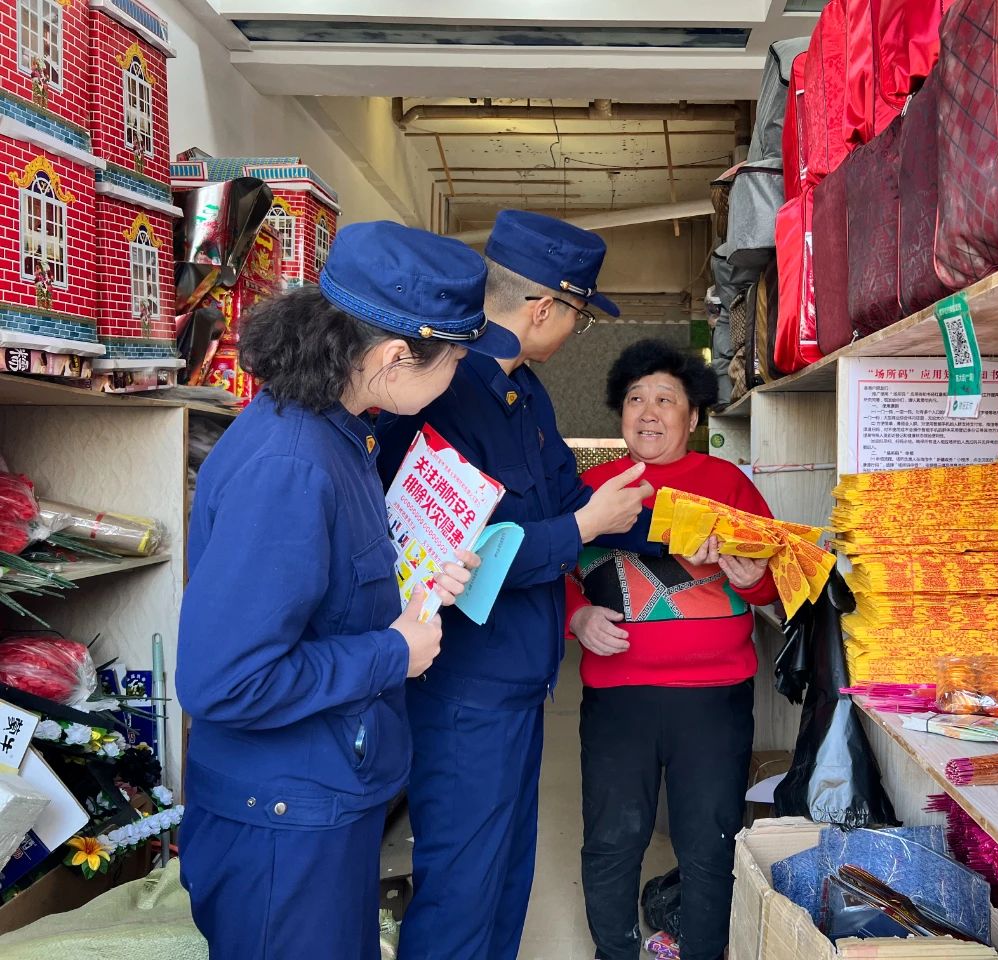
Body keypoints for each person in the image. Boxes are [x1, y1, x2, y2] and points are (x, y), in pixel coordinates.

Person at [177, 221, 520, 960]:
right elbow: (224, 680)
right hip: (284, 827)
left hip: (319, 799)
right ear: (394, 358)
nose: (459, 373)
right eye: (457, 358)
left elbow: (323, 596)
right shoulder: (292, 466)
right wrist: (393, 653)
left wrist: (419, 586)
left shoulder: (339, 431)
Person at [374, 210, 653, 960]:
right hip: (464, 689)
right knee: (460, 888)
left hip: (519, 686)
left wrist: (683, 529)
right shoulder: (444, 391)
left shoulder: (524, 392)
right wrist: (585, 525)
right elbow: (463, 556)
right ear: (542, 309)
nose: (574, 332)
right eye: (578, 319)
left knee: (504, 879)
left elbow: (564, 500)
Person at [567, 339, 779, 960]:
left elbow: (772, 581)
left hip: (714, 698)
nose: (649, 412)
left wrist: (753, 580)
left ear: (694, 416)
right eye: (636, 399)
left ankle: (704, 950)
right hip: (618, 696)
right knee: (612, 838)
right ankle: (615, 952)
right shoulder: (592, 489)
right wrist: (578, 616)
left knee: (709, 841)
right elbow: (552, 573)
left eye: (666, 399)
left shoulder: (727, 483)